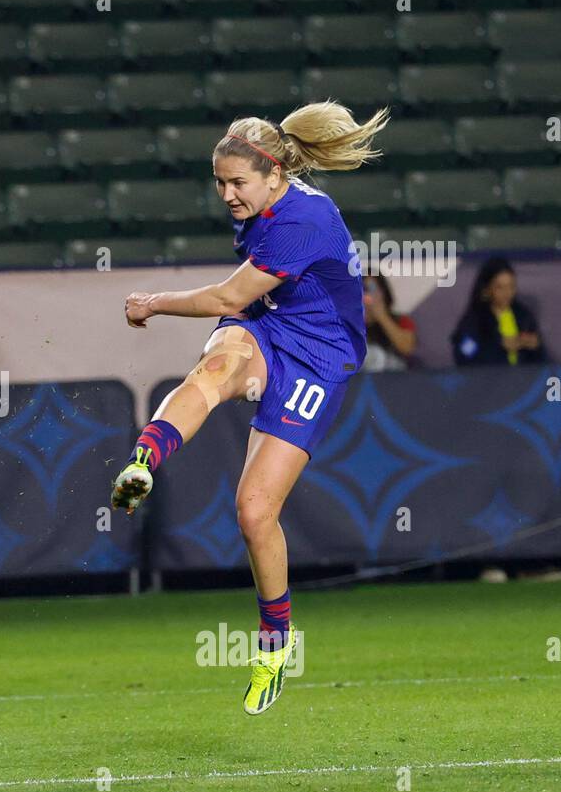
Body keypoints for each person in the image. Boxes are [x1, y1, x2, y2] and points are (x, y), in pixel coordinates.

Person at [113, 101, 389, 715]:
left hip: (319, 355)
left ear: (273, 177)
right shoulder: (266, 202)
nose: (227, 194)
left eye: (237, 183)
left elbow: (227, 292)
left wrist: (151, 302)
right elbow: (242, 303)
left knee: (254, 512)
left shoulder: (302, 222)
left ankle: (273, 644)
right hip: (269, 323)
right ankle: (144, 459)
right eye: (219, 183)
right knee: (215, 368)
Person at [450, 258, 547, 366]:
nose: (507, 293)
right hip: (487, 380)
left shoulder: (523, 316)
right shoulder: (475, 320)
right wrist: (498, 346)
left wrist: (534, 346)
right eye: (500, 287)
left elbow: (541, 360)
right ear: (486, 289)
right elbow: (465, 353)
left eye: (511, 286)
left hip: (524, 380)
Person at [362, 272, 417, 371]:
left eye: (372, 289)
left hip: (396, 380)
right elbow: (343, 366)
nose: (368, 296)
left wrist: (381, 316)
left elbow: (407, 348)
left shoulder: (401, 320)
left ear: (384, 292)